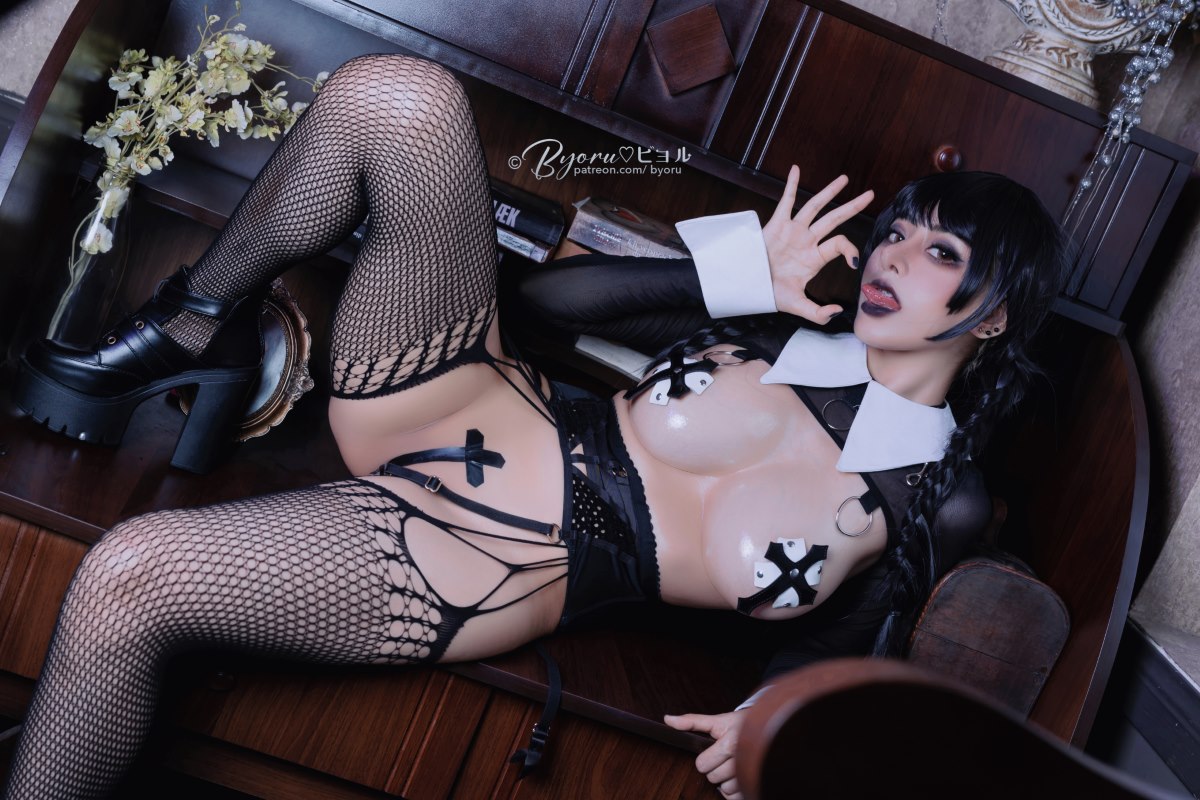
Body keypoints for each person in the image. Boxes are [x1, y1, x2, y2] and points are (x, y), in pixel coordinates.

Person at [3, 53, 1067, 800]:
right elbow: (550, 308)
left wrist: (775, 713)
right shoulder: (780, 328)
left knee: (130, 574)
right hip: (462, 399)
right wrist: (731, 272)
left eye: (939, 254)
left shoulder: (940, 492)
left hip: (487, 555)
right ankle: (194, 323)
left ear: (998, 311)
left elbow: (843, 642)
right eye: (897, 233)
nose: (892, 258)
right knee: (397, 96)